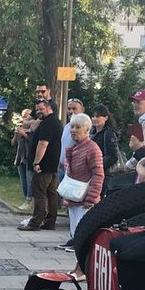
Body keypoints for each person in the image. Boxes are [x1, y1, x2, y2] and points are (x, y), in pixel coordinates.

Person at [63, 113, 103, 280]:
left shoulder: (92, 148)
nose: (73, 130)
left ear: (87, 129)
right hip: (75, 199)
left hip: (85, 200)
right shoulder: (75, 147)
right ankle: (79, 268)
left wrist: (92, 198)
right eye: (72, 126)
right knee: (76, 234)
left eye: (78, 127)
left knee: (83, 236)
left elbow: (98, 174)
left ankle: (81, 270)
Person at [18, 99, 63, 231]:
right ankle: (50, 222)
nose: (38, 111)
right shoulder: (54, 122)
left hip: (43, 165)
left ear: (49, 108)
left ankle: (35, 222)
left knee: (39, 193)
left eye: (41, 109)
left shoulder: (48, 123)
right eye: (37, 109)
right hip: (52, 165)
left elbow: (43, 143)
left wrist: (37, 162)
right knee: (51, 194)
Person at [56, 98, 85, 248]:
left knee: (77, 206)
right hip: (64, 168)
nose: (71, 112)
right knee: (69, 204)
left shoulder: (85, 128)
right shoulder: (67, 126)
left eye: (75, 108)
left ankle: (78, 238)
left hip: (77, 173)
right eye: (69, 109)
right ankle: (73, 235)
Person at [89, 104, 120, 195]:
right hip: (91, 173)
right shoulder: (91, 132)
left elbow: (113, 156)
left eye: (98, 116)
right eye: (93, 116)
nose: (95, 118)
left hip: (104, 174)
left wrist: (98, 165)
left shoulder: (108, 133)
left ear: (106, 118)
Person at [12, 109, 34, 210]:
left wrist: (24, 134)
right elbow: (13, 143)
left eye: (27, 116)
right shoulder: (20, 128)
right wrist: (17, 134)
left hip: (29, 158)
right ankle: (26, 198)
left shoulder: (33, 129)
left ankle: (29, 200)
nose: (24, 118)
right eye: (23, 116)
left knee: (30, 180)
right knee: (23, 181)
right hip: (20, 157)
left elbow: (33, 141)